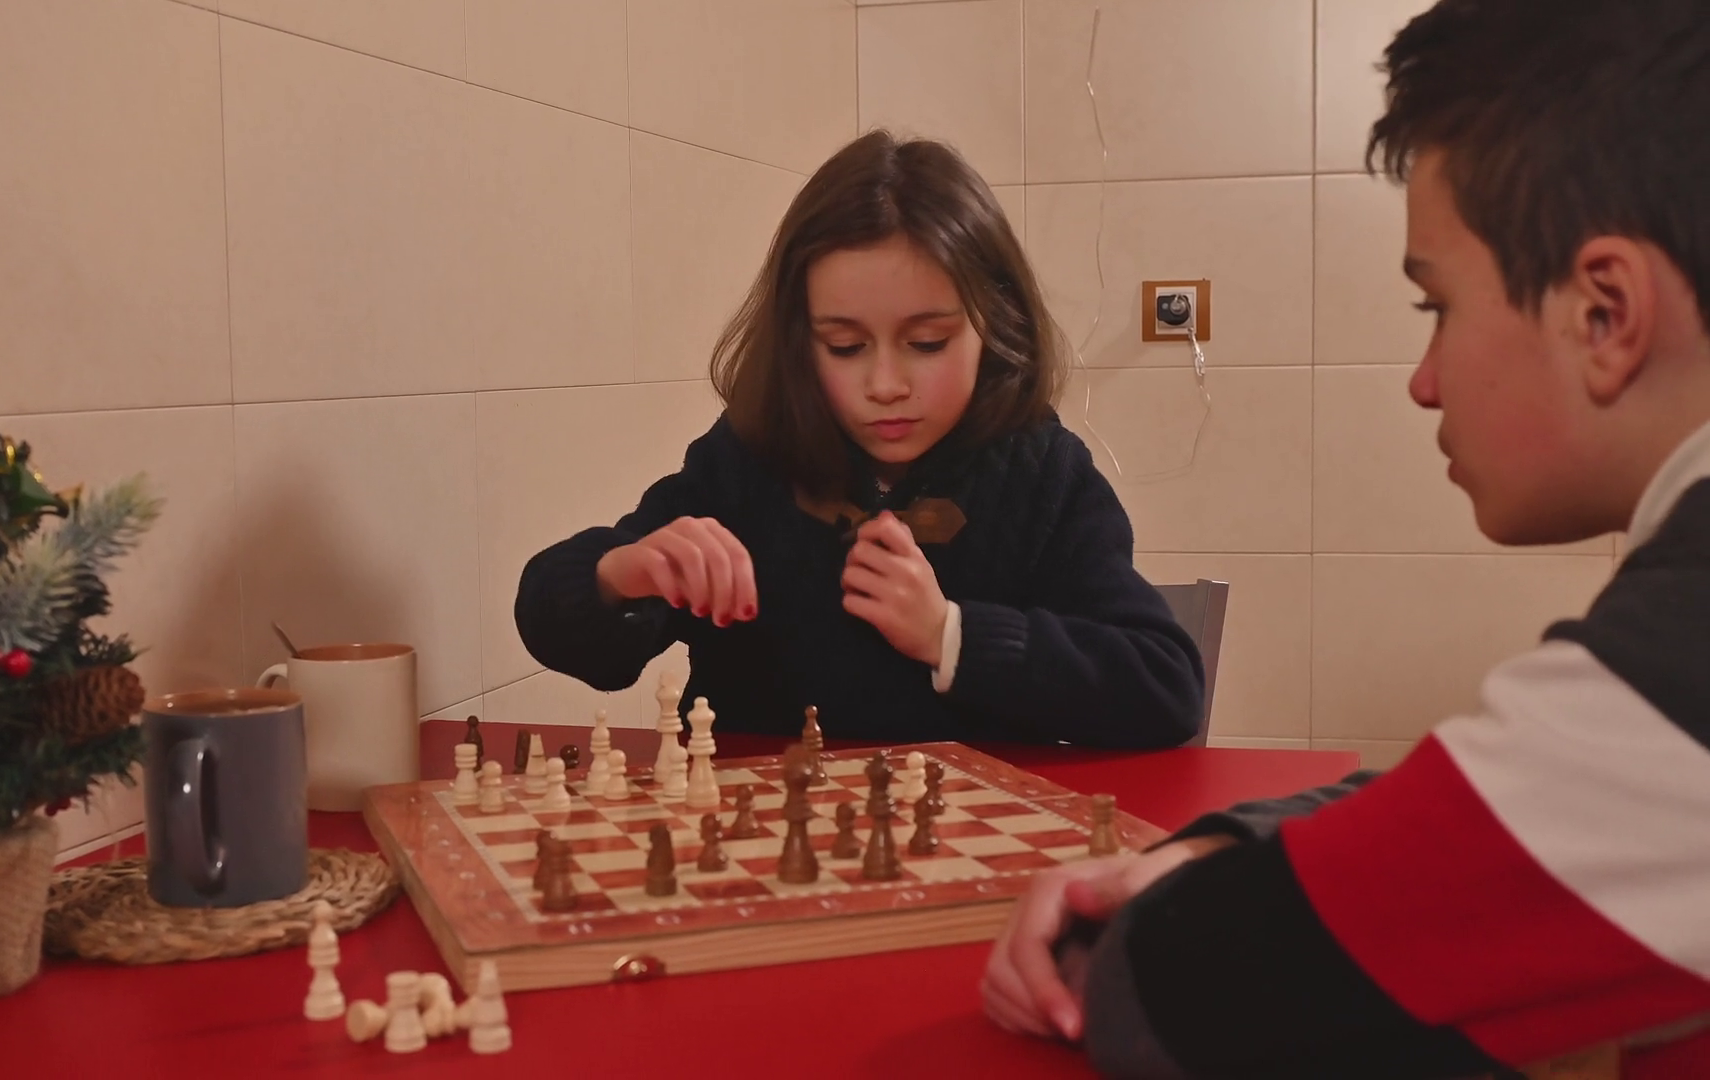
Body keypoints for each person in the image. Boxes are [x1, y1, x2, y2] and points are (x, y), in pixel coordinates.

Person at [981, 0, 1710, 1075]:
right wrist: (1223, 842)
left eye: (1436, 307)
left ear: (1606, 313)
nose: (1424, 382)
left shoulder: (1679, 676)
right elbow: (1473, 799)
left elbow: (1173, 988)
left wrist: (1145, 909)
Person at [514, 130, 1203, 746]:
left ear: (992, 324)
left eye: (926, 343)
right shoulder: (748, 461)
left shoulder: (1040, 471)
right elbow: (552, 620)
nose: (885, 384)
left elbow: (1166, 687)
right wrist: (621, 574)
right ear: (799, 341)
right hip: (763, 835)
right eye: (844, 346)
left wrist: (950, 635)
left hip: (971, 835)